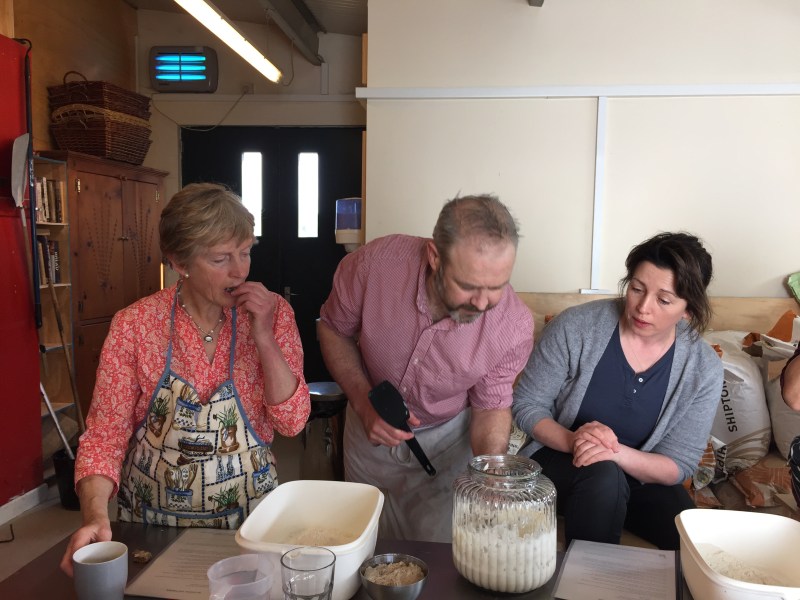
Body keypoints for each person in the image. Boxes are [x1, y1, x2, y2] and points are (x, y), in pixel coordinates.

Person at [60, 183, 310, 575]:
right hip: (151, 530)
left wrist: (263, 337)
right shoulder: (135, 325)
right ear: (179, 262)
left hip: (252, 525)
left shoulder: (273, 314)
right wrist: (94, 516)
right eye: (221, 258)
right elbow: (105, 437)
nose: (240, 270)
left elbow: (292, 422)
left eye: (245, 252)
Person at [318, 194, 534, 543]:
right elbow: (333, 329)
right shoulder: (373, 265)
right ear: (435, 256)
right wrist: (361, 400)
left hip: (447, 442)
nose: (482, 303)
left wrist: (491, 472)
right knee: (361, 542)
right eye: (467, 285)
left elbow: (491, 405)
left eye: (497, 287)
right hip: (367, 423)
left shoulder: (512, 325)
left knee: (434, 554)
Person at [512, 232, 723, 551]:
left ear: (688, 310)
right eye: (637, 289)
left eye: (664, 300)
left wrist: (613, 452)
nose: (643, 307)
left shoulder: (703, 367)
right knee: (604, 478)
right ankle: (586, 579)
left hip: (637, 474)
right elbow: (527, 404)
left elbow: (679, 463)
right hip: (559, 461)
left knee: (690, 533)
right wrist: (574, 440)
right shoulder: (576, 327)